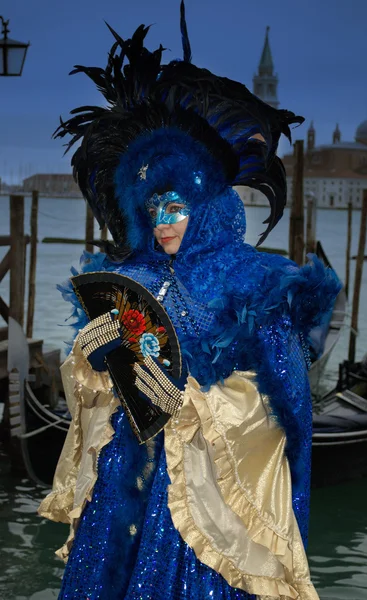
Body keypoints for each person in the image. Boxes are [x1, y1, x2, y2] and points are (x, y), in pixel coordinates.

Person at [39, 3, 341, 598]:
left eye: (176, 207)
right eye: (154, 209)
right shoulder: (135, 278)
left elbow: (284, 401)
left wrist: (197, 406)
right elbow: (99, 382)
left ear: (205, 205)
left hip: (203, 496)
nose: (163, 222)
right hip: (127, 474)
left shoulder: (253, 283)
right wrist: (98, 355)